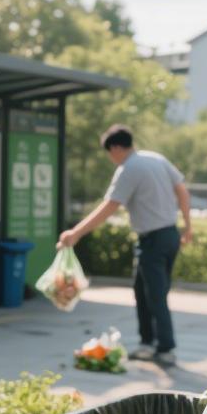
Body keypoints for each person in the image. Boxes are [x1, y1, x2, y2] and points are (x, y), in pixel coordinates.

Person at [58, 125, 193, 367]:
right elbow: (182, 190)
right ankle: (148, 344)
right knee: (143, 290)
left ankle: (165, 348)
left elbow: (110, 206)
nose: (111, 159)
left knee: (154, 295)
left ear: (117, 148)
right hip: (169, 235)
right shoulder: (156, 158)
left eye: (110, 153)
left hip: (152, 240)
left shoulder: (128, 169)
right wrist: (188, 225)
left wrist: (76, 233)